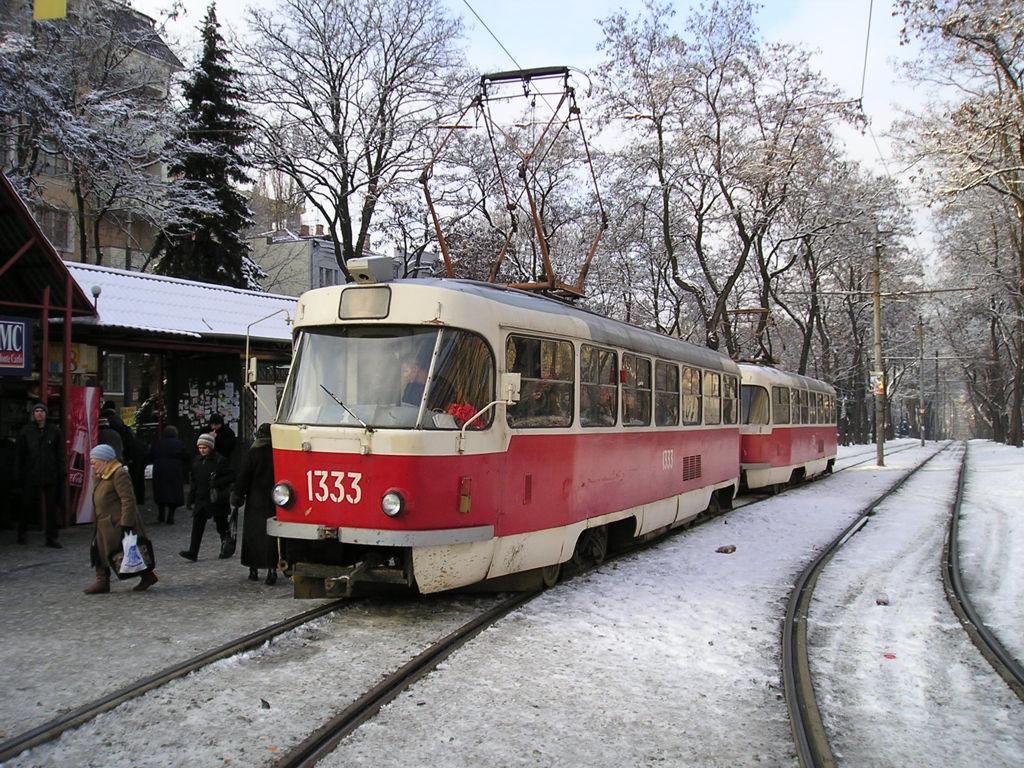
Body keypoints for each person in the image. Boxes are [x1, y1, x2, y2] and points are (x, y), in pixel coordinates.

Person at [83, 443, 158, 594]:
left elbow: (128, 499)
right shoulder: (101, 475)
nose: (92, 466)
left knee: (123, 552)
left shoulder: (118, 474)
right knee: (98, 551)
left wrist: (127, 523)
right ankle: (102, 581)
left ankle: (147, 575)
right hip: (103, 522)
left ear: (104, 460)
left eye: (94, 462)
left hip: (116, 522)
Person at [230, 423, 279, 585]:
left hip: (255, 501)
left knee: (253, 535)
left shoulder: (252, 453)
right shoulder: (277, 453)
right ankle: (272, 569)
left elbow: (244, 477)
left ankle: (253, 569)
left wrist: (237, 497)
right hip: (274, 500)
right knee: (271, 536)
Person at [13, 402, 64, 548]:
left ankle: (51, 537)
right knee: (26, 505)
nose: (39, 413)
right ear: (33, 414)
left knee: (51, 508)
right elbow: (20, 455)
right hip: (31, 473)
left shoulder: (54, 431)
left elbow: (59, 454)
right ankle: (22, 533)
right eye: (37, 411)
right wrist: (18, 473)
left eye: (42, 411)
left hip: (50, 473)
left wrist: (61, 472)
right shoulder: (26, 431)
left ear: (46, 414)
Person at [180, 433, 235, 562]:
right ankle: (193, 551)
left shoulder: (219, 460)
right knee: (197, 525)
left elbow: (231, 476)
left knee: (221, 524)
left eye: (204, 447)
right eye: (200, 447)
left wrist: (216, 483)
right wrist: (190, 498)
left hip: (216, 498)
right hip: (201, 498)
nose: (202, 450)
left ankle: (226, 547)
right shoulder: (197, 461)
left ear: (210, 447)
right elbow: (194, 481)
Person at [148, 425, 188, 524]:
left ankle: (161, 515)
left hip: (160, 469)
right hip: (175, 469)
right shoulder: (179, 444)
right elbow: (186, 456)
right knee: (174, 493)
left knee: (160, 491)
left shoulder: (157, 443)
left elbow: (150, 455)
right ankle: (171, 516)